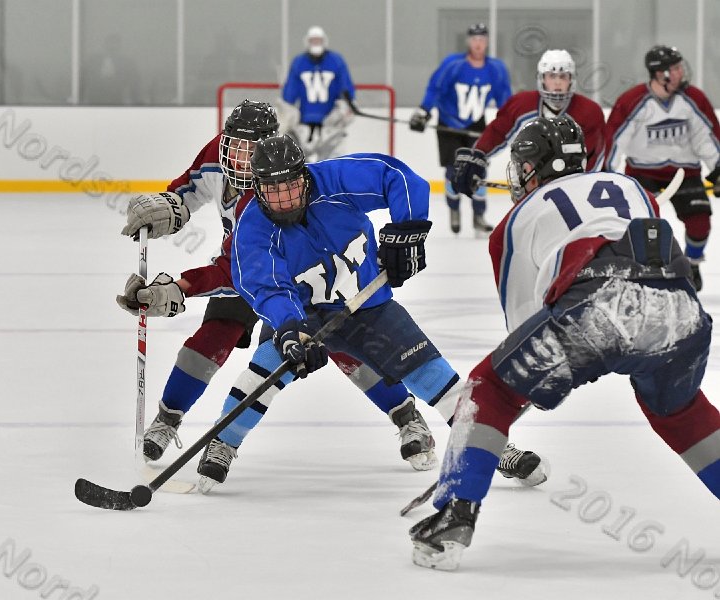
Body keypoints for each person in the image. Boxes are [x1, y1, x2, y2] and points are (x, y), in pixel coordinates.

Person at [410, 115, 720, 572]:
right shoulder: (629, 184)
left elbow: (523, 330)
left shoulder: (514, 222)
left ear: (531, 167)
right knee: (681, 412)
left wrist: (503, 410)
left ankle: (454, 515)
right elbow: (646, 234)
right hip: (681, 307)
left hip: (600, 303)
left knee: (488, 389)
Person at [193, 134, 548, 493]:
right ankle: (223, 442)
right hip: (304, 316)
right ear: (255, 188)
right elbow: (267, 286)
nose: (285, 201)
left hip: (368, 305)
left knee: (434, 375)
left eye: (291, 186)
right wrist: (288, 330)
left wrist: (406, 231)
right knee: (262, 375)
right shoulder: (252, 229)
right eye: (273, 191)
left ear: (304, 175)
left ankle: (494, 447)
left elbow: (398, 177)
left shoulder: (334, 180)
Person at [119, 100, 439, 474]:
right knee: (210, 339)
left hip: (291, 274)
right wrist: (166, 206)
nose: (237, 159)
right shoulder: (218, 154)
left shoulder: (274, 188)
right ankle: (169, 417)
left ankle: (407, 417)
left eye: (248, 150)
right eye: (232, 145)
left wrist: (181, 288)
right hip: (252, 271)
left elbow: (232, 267)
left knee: (343, 346)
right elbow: (188, 191)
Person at [605, 45, 720, 292]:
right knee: (641, 225)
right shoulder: (633, 101)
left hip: (685, 172)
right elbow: (614, 139)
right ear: (660, 74)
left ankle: (692, 263)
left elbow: (706, 136)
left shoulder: (693, 98)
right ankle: (644, 267)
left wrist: (718, 167)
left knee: (700, 224)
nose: (681, 72)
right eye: (675, 68)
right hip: (642, 172)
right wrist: (606, 174)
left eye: (680, 67)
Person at [451, 50, 606, 204]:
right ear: (542, 78)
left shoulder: (589, 112)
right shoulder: (521, 104)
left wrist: (581, 187)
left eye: (563, 76)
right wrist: (477, 156)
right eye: (552, 76)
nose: (558, 82)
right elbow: (497, 132)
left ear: (571, 79)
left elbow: (594, 156)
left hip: (573, 192)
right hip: (529, 188)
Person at [409, 23, 512, 235]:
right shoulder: (453, 64)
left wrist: (511, 120)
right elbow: (435, 88)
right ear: (468, 41)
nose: (478, 43)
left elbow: (505, 100)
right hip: (449, 124)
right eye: (474, 38)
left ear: (487, 42)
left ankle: (478, 215)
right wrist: (424, 111)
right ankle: (454, 208)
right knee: (452, 170)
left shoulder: (496, 69)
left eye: (482, 39)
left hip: (476, 124)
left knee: (479, 169)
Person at [279, 26, 356, 162]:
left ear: (324, 41)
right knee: (299, 166)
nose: (316, 44)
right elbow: (288, 97)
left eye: (318, 40)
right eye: (313, 40)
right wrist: (288, 116)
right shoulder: (299, 62)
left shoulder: (336, 61)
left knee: (333, 165)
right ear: (307, 42)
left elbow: (346, 92)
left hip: (331, 126)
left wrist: (344, 110)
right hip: (304, 125)